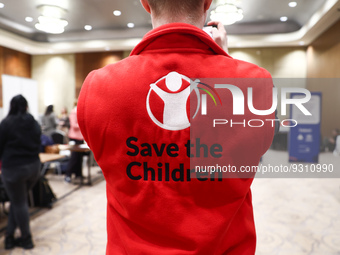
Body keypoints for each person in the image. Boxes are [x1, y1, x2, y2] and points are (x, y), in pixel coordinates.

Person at [77, 0, 275, 254]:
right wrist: (225, 62)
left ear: (146, 3)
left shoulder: (98, 87)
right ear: (207, 2)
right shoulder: (254, 85)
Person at [0, 95, 41, 250]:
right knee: (19, 202)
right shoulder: (33, 122)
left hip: (14, 170)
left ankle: (26, 238)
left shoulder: (6, 123)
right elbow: (39, 141)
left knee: (18, 202)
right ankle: (9, 237)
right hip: (33, 168)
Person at [64, 101, 84, 183]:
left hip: (80, 137)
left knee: (79, 157)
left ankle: (78, 173)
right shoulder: (74, 112)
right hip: (74, 137)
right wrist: (83, 124)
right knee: (74, 157)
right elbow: (74, 125)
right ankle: (68, 175)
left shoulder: (80, 112)